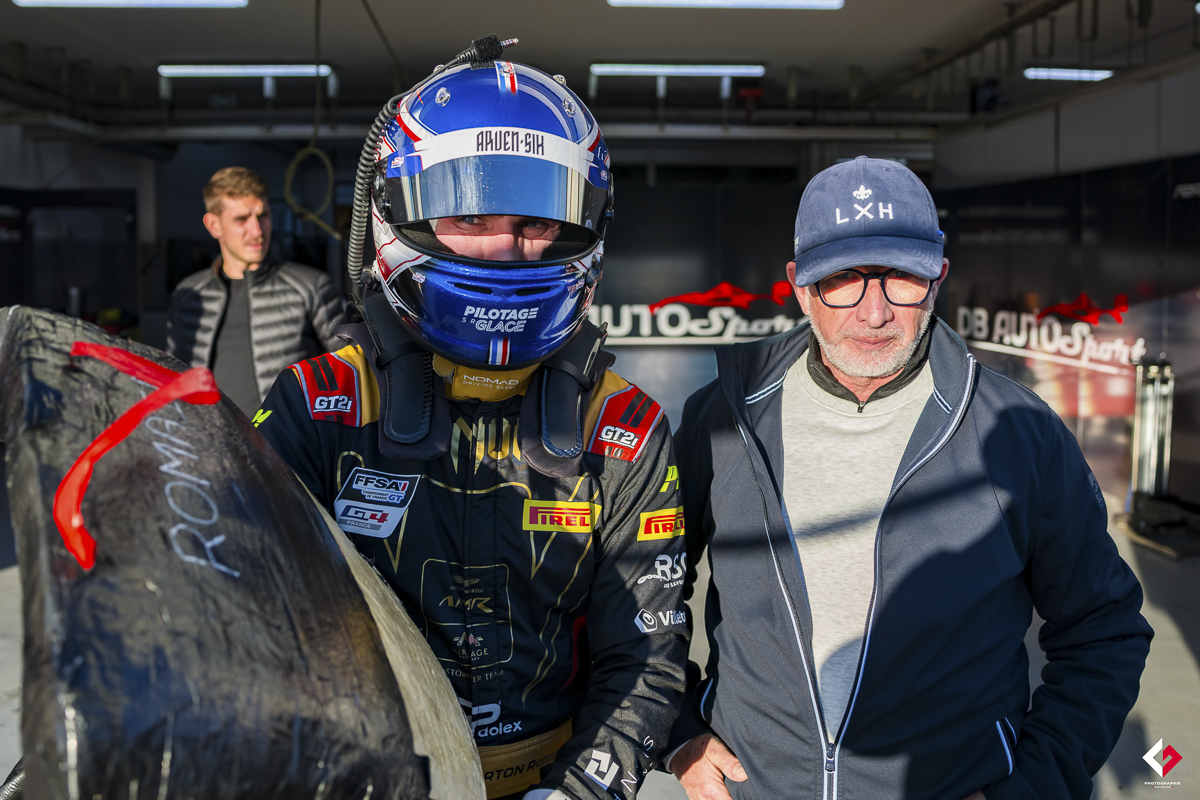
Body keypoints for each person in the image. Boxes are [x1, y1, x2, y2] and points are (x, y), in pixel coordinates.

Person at [254, 58, 688, 800]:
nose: (501, 249)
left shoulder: (623, 426)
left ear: (586, 225)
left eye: (535, 222)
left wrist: (580, 793)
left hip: (555, 779)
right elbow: (248, 617)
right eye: (470, 217)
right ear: (398, 212)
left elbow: (646, 655)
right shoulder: (321, 403)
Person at [666, 156, 1152, 800]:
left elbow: (1105, 629)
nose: (873, 313)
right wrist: (678, 733)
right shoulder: (723, 418)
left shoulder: (1017, 432)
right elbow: (643, 592)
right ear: (799, 285)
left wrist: (1032, 784)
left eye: (901, 278)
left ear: (939, 277)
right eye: (842, 280)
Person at [167, 166, 344, 415]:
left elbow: (351, 373)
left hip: (287, 448)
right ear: (213, 225)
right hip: (214, 447)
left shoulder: (312, 288)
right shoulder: (187, 295)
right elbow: (173, 379)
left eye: (263, 216)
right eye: (242, 219)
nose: (258, 231)